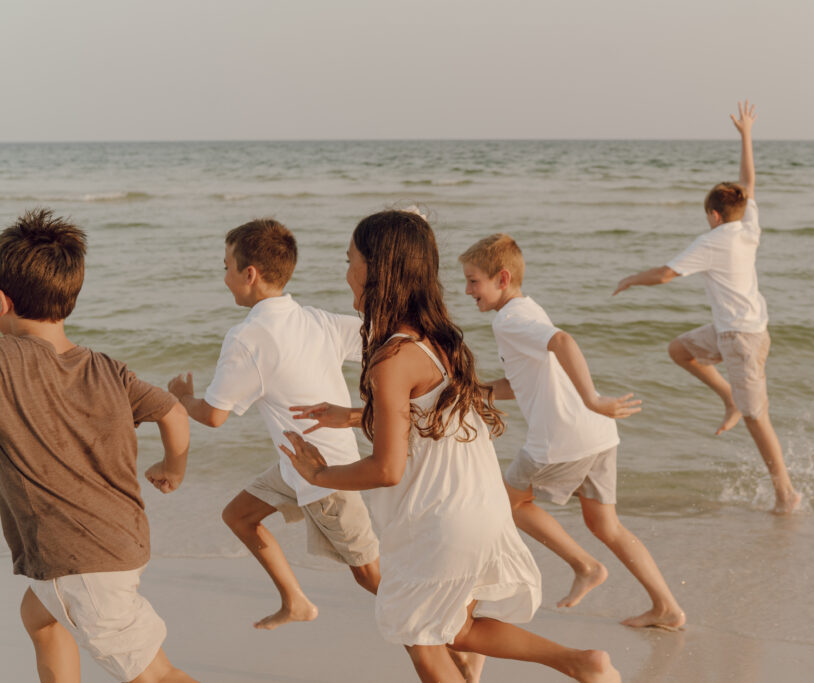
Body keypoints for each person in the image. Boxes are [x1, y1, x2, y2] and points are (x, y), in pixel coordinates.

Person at [280, 210, 619, 683]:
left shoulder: (392, 356)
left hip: (439, 517)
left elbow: (387, 469)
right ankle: (581, 663)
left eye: (350, 259)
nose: (346, 272)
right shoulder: (437, 337)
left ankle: (580, 664)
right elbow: (428, 420)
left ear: (379, 269)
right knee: (454, 628)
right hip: (475, 503)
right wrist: (359, 417)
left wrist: (319, 475)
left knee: (421, 635)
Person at [0, 209, 196, 682]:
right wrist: (174, 468)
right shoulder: (108, 368)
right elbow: (173, 411)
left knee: (156, 675)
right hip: (121, 541)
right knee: (40, 618)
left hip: (79, 563)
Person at [459, 234, 686, 631]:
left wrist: (593, 399)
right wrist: (468, 393)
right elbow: (519, 383)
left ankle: (585, 565)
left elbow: (563, 341)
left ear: (502, 278)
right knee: (606, 525)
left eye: (473, 281)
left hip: (562, 439)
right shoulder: (528, 310)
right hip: (597, 434)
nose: (467, 290)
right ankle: (666, 607)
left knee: (506, 502)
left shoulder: (509, 320)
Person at [167, 218, 380, 631]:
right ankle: (295, 600)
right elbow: (384, 339)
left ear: (250, 274)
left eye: (226, 267)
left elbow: (214, 414)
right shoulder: (318, 320)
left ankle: (451, 636)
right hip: (294, 465)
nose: (224, 277)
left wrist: (182, 397)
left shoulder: (248, 337)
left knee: (370, 577)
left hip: (327, 476)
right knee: (239, 515)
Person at [613, 101, 801, 514]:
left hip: (742, 339)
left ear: (714, 216)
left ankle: (786, 492)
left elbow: (666, 274)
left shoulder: (713, 240)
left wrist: (630, 279)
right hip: (736, 330)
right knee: (680, 350)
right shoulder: (747, 225)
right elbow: (748, 181)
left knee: (758, 419)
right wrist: (747, 135)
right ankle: (729, 398)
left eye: (707, 215)